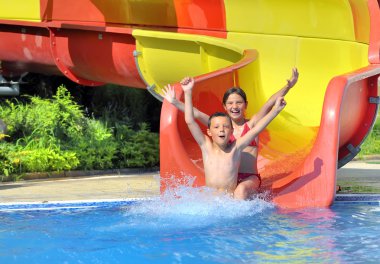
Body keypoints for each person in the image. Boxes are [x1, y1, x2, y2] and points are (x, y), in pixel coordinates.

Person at [162, 68, 298, 199]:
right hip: (230, 178)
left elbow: (269, 103)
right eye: (230, 103)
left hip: (249, 178)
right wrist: (175, 102)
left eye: (239, 103)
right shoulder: (222, 127)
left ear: (245, 105)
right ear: (225, 107)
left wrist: (288, 87)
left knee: (241, 191)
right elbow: (193, 115)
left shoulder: (252, 124)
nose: (235, 106)